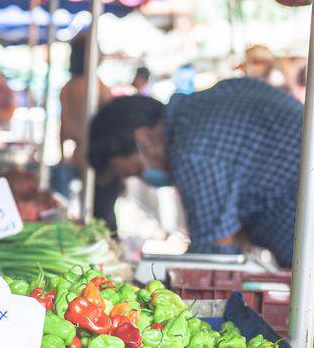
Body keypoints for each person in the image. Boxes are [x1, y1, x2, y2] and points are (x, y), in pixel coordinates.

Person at [88, 78, 302, 267]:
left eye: (136, 171)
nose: (144, 178)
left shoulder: (192, 151)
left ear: (144, 138)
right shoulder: (206, 105)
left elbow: (214, 255)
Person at [56, 37, 114, 225]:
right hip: (99, 159)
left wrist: (63, 155)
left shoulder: (68, 88)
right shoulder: (97, 86)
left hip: (79, 155)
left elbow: (64, 128)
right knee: (102, 214)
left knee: (88, 209)